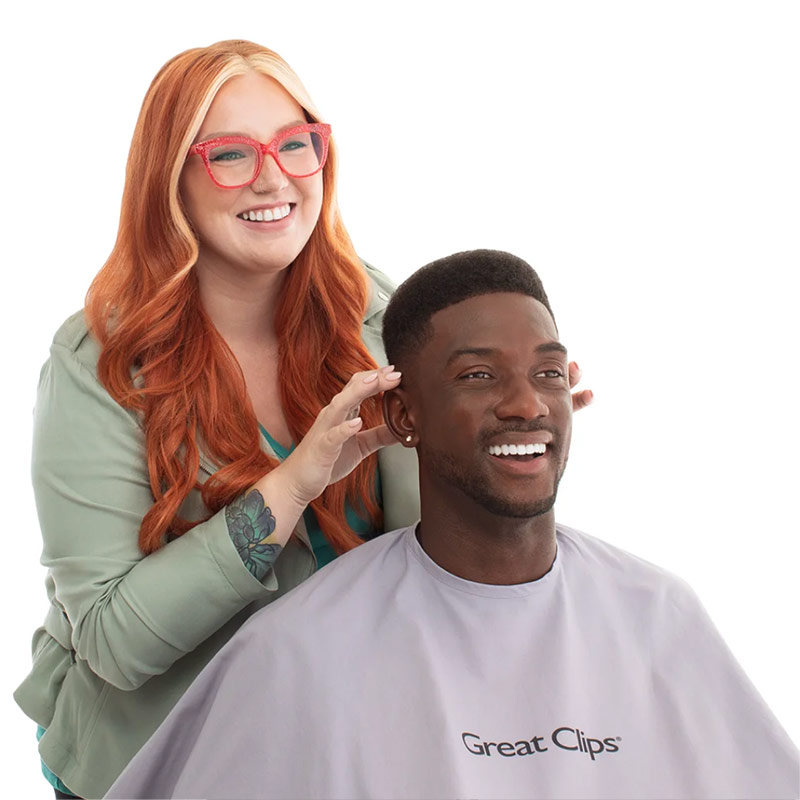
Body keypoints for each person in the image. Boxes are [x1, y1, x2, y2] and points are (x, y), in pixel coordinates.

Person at [10, 38, 593, 800]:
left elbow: (440, 555)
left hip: (339, 742)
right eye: (230, 154)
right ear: (169, 178)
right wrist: (292, 485)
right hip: (161, 758)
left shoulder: (379, 317)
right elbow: (113, 643)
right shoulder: (97, 364)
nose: (273, 176)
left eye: (295, 144)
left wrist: (509, 439)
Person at [107, 249, 798, 800]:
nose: (527, 404)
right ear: (403, 414)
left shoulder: (658, 616)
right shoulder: (300, 650)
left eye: (548, 373)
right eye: (478, 376)